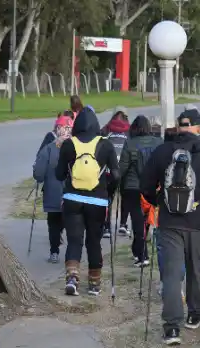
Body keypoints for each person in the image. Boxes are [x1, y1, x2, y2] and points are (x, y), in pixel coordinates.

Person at [140, 108, 200, 345]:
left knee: (171, 275)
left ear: (179, 127)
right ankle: (194, 312)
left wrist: (158, 202)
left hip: (169, 223)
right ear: (199, 128)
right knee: (196, 270)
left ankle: (172, 328)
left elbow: (145, 185)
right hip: (199, 223)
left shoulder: (162, 151)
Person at [55, 107, 120, 296]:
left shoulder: (69, 144)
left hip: (72, 199)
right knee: (94, 242)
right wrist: (108, 191)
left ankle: (72, 278)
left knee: (74, 241)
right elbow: (116, 175)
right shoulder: (105, 145)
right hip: (97, 201)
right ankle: (94, 283)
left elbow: (59, 174)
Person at [118, 115, 163, 267]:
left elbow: (122, 168)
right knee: (146, 219)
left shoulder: (130, 144)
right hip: (152, 187)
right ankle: (138, 250)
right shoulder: (158, 142)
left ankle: (142, 254)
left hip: (133, 187)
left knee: (137, 221)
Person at [33, 115, 73, 262]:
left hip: (53, 193)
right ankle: (71, 256)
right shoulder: (77, 147)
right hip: (70, 194)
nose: (67, 131)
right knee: (68, 222)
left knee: (54, 223)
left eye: (69, 128)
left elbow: (38, 174)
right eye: (66, 128)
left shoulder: (48, 149)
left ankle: (54, 252)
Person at [101, 107, 131, 238]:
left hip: (109, 170)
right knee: (125, 196)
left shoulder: (106, 129)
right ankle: (123, 224)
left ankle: (106, 227)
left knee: (108, 197)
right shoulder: (130, 130)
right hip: (125, 169)